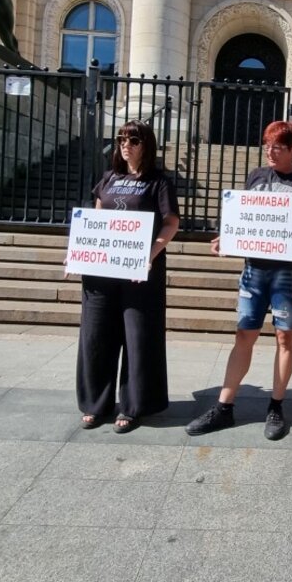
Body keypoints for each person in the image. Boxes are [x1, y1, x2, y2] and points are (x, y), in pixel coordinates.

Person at [185, 120, 292, 441]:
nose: (270, 152)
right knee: (244, 335)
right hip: (255, 269)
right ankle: (225, 405)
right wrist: (227, 238)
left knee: (284, 337)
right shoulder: (256, 176)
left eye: (278, 147)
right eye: (267, 145)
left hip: (288, 273)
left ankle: (276, 406)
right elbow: (245, 218)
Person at [76, 120, 180, 433]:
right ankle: (96, 404)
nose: (126, 145)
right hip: (103, 271)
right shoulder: (108, 178)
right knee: (96, 335)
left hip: (140, 272)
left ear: (146, 145)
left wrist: (150, 254)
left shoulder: (158, 182)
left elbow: (170, 222)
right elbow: (95, 218)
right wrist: (80, 252)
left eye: (133, 140)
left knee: (138, 337)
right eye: (122, 139)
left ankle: (133, 406)